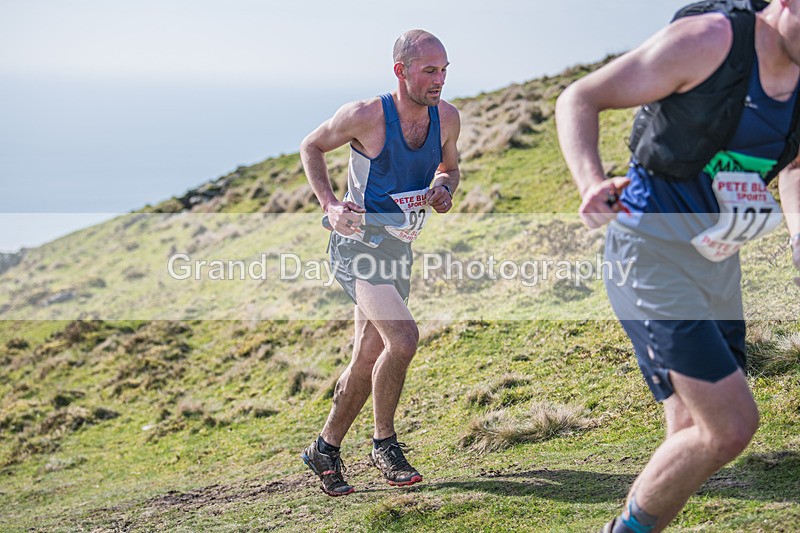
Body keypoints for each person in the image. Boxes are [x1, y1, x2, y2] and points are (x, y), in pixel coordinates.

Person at [556, 0, 800, 531]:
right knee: (731, 427)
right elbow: (581, 97)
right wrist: (589, 181)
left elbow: (795, 167)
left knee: (690, 430)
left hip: (716, 265)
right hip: (650, 255)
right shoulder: (710, 41)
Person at [298, 29, 460, 497]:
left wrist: (444, 188)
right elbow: (311, 146)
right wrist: (329, 205)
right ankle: (383, 444)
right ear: (401, 71)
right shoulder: (366, 116)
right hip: (357, 247)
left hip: (397, 249)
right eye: (430, 70)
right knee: (404, 338)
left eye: (445, 69)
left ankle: (324, 449)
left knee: (367, 357)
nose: (440, 80)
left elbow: (450, 167)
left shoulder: (446, 117)